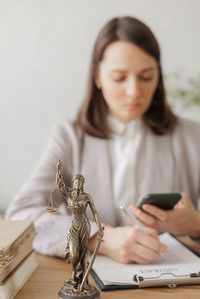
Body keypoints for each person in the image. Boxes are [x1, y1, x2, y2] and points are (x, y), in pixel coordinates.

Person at [5, 16, 200, 265]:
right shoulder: (69, 137)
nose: (134, 92)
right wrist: (97, 237)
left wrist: (196, 225)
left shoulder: (192, 137)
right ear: (97, 76)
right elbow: (20, 216)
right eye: (119, 78)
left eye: (146, 77)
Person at [54, 161, 103, 292]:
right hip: (73, 225)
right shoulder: (69, 194)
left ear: (83, 183)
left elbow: (95, 212)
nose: (77, 184)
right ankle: (76, 275)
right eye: (75, 181)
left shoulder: (87, 196)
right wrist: (58, 171)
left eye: (80, 182)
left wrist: (100, 229)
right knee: (74, 255)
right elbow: (58, 187)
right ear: (73, 182)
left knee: (83, 255)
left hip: (84, 225)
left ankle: (81, 281)